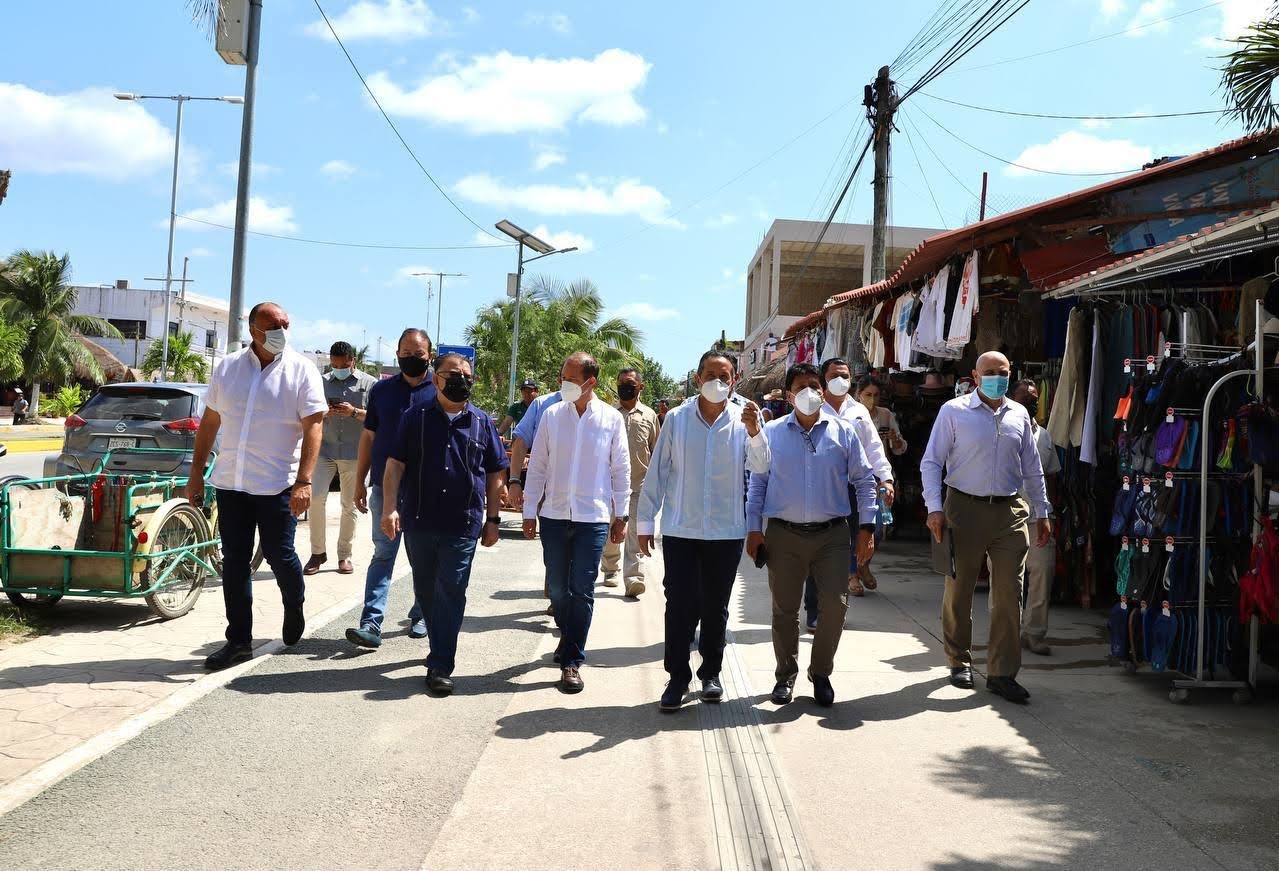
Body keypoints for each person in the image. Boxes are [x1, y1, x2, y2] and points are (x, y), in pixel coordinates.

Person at [185, 302, 327, 671]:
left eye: (285, 322)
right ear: (253, 330)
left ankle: (294, 602)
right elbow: (210, 422)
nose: (282, 329)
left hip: (279, 484)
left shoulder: (302, 370)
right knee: (234, 562)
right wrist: (196, 472)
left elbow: (314, 426)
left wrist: (305, 481)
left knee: (281, 555)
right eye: (274, 324)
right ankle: (239, 641)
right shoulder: (229, 368)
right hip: (231, 482)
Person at [638, 351, 770, 711]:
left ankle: (711, 673)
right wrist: (645, 521)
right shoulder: (678, 419)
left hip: (726, 533)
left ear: (734, 380)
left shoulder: (746, 419)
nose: (717, 381)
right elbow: (658, 471)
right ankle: (677, 677)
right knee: (679, 606)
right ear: (697, 379)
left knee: (716, 608)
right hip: (682, 529)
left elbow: (761, 467)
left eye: (724, 375)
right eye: (710, 374)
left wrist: (756, 432)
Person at [921, 351, 1052, 705]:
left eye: (1003, 372)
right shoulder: (954, 412)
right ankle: (958, 660)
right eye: (990, 372)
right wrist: (934, 508)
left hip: (1010, 511)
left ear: (1011, 374)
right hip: (962, 508)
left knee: (1010, 592)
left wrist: (1042, 511)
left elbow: (1032, 467)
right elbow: (931, 462)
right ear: (975, 376)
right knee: (959, 588)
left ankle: (1002, 673)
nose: (997, 377)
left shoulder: (1020, 413)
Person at [746, 363, 878, 708]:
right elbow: (757, 483)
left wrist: (867, 527)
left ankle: (820, 673)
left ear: (824, 391)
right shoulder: (771, 433)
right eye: (801, 387)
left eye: (815, 386)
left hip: (832, 535)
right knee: (784, 610)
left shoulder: (844, 431)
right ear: (789, 396)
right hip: (783, 535)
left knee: (835, 606)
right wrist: (753, 530)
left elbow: (865, 481)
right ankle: (785, 674)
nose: (810, 392)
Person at [381, 353, 507, 695]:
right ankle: (438, 647)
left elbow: (496, 473)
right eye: (453, 373)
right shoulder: (415, 417)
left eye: (466, 374)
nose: (460, 379)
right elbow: (394, 465)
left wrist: (493, 519)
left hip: (463, 523)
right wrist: (389, 508)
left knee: (451, 591)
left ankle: (440, 663)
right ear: (436, 379)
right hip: (420, 520)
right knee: (425, 590)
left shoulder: (482, 422)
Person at [522, 352, 630, 694]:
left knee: (582, 590)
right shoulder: (552, 415)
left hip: (592, 518)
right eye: (562, 376)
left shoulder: (611, 419)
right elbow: (537, 465)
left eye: (570, 377)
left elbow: (620, 469)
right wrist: (528, 510)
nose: (562, 383)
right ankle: (568, 637)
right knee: (557, 589)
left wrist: (621, 514)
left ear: (590, 382)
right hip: (553, 516)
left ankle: (572, 661)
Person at [345, 329, 437, 648]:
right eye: (406, 354)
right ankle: (371, 622)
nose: (412, 360)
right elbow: (368, 438)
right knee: (383, 553)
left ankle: (422, 613)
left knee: (422, 557)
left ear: (431, 355)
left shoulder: (440, 390)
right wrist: (359, 481)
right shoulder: (382, 391)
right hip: (386, 491)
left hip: (426, 493)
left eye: (419, 354)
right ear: (397, 354)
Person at [809, 358, 895, 604]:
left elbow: (874, 447)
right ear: (823, 379)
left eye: (845, 376)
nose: (840, 380)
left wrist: (886, 479)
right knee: (841, 534)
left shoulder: (859, 411)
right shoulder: (814, 409)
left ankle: (862, 564)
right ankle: (850, 575)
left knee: (873, 530)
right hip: (827, 486)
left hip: (860, 485)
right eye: (835, 375)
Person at [307, 341, 377, 576]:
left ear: (352, 361)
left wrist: (354, 412)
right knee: (315, 499)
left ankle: (344, 555)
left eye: (343, 364)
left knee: (349, 505)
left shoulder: (369, 384)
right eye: (334, 364)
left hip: (355, 453)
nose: (338, 368)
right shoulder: (321, 381)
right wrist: (323, 411)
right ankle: (317, 553)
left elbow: (378, 418)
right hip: (324, 450)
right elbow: (309, 412)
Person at [1011, 378, 1060, 656]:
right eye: (1025, 397)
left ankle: (1034, 633)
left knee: (1043, 572)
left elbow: (1052, 477)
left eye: (1034, 398)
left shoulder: (1044, 435)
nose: (1031, 401)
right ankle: (1007, 632)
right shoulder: (1000, 430)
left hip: (1038, 517)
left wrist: (1050, 512)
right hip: (1007, 517)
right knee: (1007, 579)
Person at [601, 368, 660, 597]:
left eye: (630, 383)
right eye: (621, 383)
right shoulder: (608, 414)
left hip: (639, 486)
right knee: (611, 532)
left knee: (635, 532)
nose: (625, 386)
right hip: (610, 486)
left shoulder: (649, 415)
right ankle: (610, 569)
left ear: (640, 387)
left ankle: (634, 577)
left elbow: (655, 451)